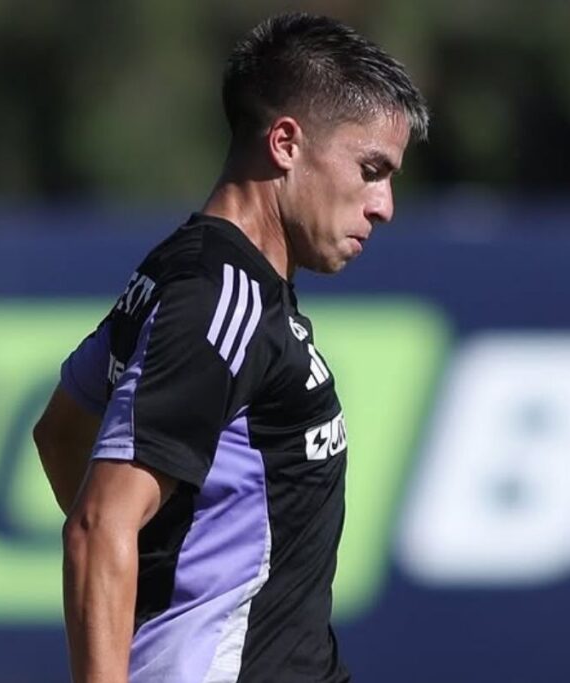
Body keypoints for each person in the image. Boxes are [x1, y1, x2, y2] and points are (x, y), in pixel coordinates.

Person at [33, 12, 429, 683]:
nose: (384, 204)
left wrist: (162, 568)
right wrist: (145, 574)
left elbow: (61, 431)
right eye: (370, 169)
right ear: (285, 143)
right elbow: (100, 525)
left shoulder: (201, 276)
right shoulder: (217, 295)